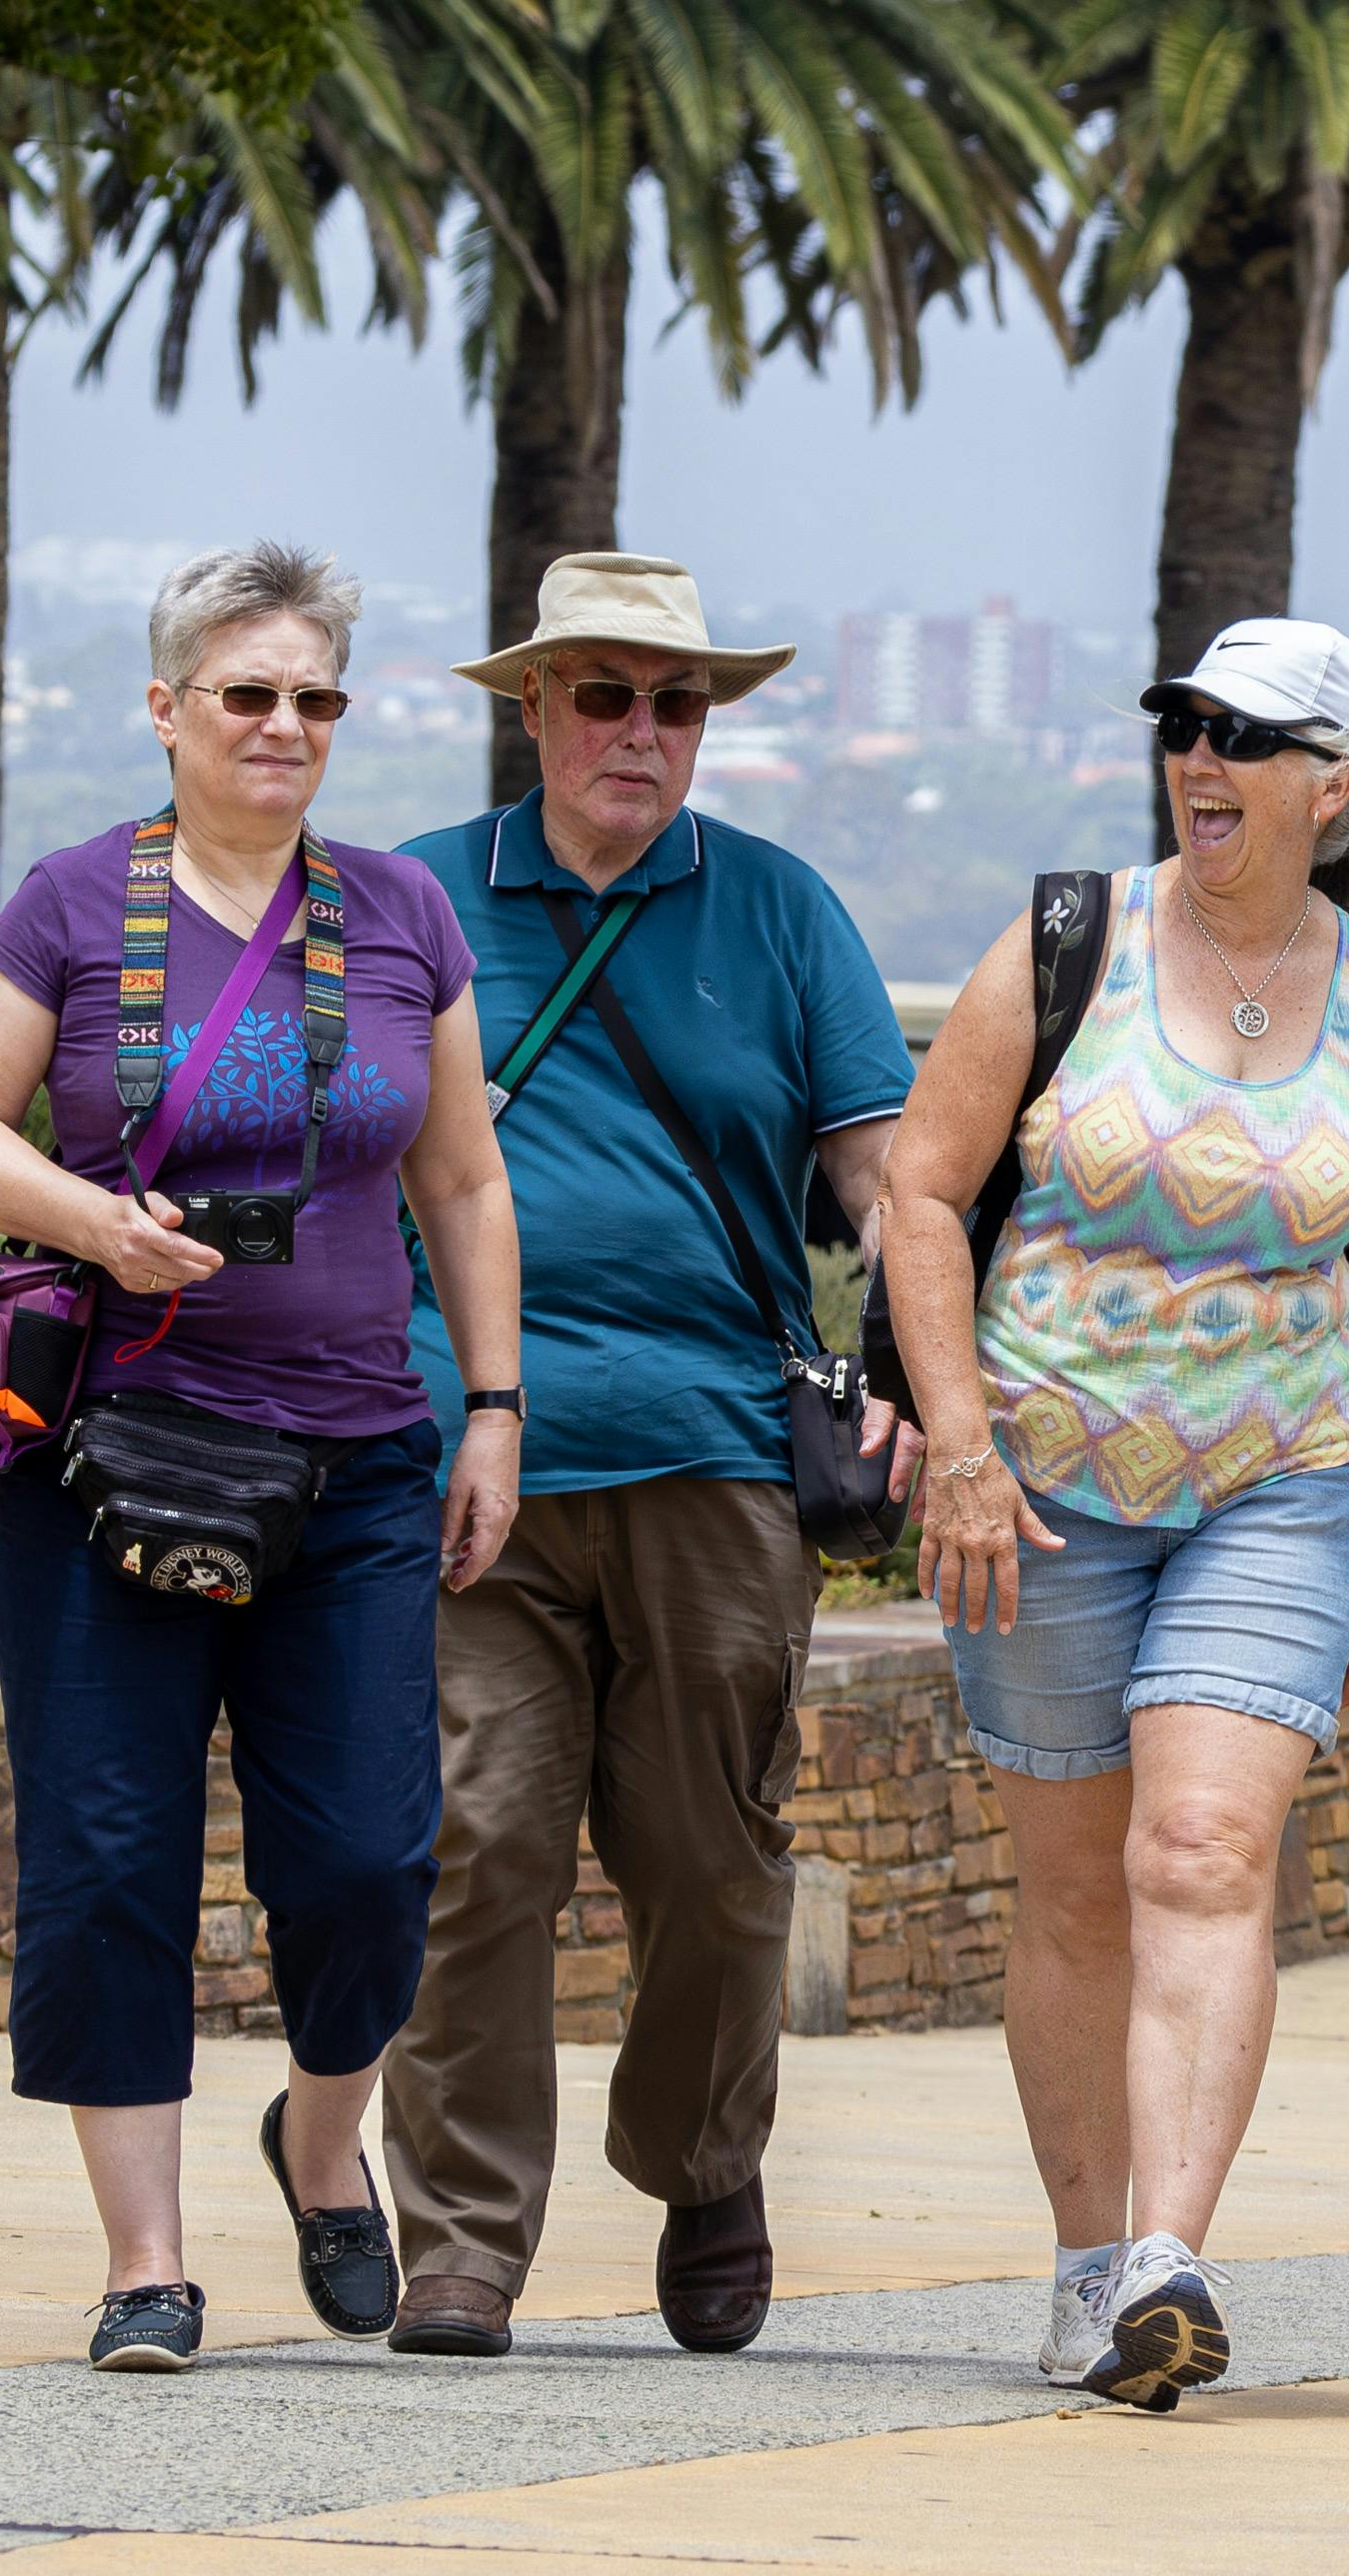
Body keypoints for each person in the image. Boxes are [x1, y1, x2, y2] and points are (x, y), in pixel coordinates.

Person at [0, 542, 523, 2372]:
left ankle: (324, 2151)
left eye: (315, 697)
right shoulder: (76, 903)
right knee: (107, 1858)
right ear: (168, 708)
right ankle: (145, 2261)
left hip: (355, 1462)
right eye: (246, 693)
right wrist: (96, 1224)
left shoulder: (403, 912)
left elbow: (465, 1179)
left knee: (367, 1856)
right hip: (111, 1457)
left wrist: (492, 1405)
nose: (283, 725)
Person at [882, 617, 1349, 2413]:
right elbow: (920, 1189)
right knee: (1071, 1892)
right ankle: (1079, 2249)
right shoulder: (1072, 941)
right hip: (1041, 1489)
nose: (1204, 761)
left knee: (1201, 1851)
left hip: (1278, 1486)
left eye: (1250, 738)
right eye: (1187, 728)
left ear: (1333, 786)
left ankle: (1168, 2255)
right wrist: (959, 1441)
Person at [378, 554, 916, 2360]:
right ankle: (461, 2234)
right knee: (477, 1844)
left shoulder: (778, 909)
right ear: (526, 708)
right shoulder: (415, 899)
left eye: (672, 701)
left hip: (713, 1453)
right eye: (601, 694)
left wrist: (929, 1374)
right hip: (469, 1452)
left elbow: (881, 1175)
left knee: (712, 1857)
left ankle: (702, 2160)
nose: (640, 731)